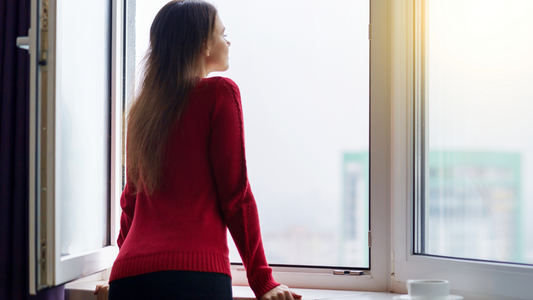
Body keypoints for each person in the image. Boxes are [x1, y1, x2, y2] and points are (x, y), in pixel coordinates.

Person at [95, 1, 303, 299]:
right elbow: (236, 196)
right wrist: (261, 279)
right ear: (204, 43)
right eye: (222, 34)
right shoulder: (219, 93)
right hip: (194, 277)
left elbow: (131, 202)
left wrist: (118, 271)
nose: (228, 41)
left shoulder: (142, 112)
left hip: (129, 279)